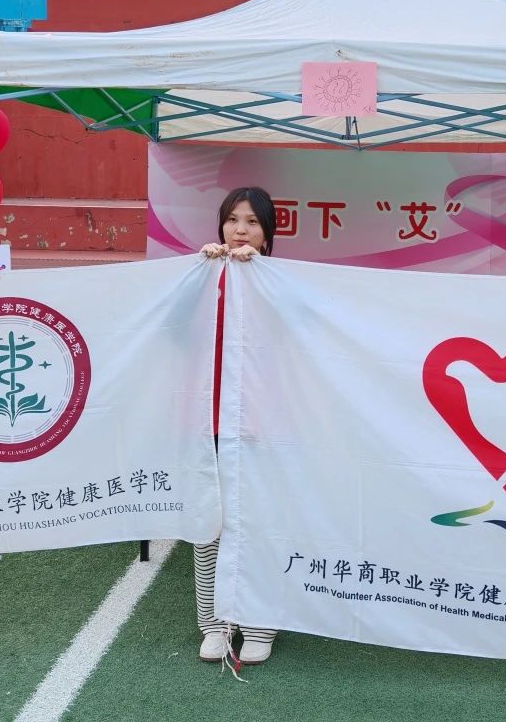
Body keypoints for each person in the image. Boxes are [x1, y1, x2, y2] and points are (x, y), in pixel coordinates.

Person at [194, 186, 280, 667]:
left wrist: (257, 275)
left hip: (262, 421)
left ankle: (260, 623)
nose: (240, 230)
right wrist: (204, 275)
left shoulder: (279, 281)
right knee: (210, 521)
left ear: (267, 233)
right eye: (232, 220)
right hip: (208, 418)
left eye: (251, 221)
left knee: (260, 520)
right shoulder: (205, 274)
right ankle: (214, 623)